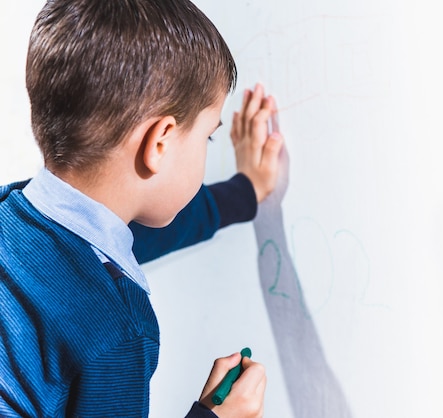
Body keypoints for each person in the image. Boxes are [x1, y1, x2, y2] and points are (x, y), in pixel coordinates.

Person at [0, 0, 284, 416]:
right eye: (207, 137)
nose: (207, 147)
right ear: (160, 142)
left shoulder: (13, 210)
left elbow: (131, 235)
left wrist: (245, 192)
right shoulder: (118, 330)